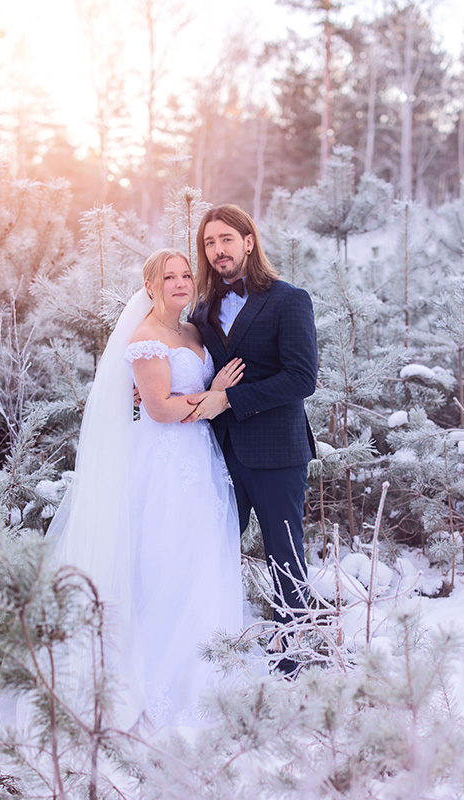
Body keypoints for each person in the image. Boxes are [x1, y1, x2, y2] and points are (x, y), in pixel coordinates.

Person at [0, 249, 244, 739]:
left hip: (199, 461)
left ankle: (205, 663)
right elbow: (161, 411)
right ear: (149, 287)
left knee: (200, 561)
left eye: (186, 274)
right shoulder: (146, 339)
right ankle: (155, 675)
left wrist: (208, 398)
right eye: (168, 277)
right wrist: (218, 397)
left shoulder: (192, 330)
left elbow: (178, 398)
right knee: (166, 563)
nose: (179, 282)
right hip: (165, 465)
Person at [187, 204, 318, 642]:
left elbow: (302, 378)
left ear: (248, 241)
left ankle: (294, 655)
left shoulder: (289, 300)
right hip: (219, 452)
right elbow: (194, 364)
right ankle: (211, 650)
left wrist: (229, 398)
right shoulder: (201, 311)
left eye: (226, 239)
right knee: (212, 549)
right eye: (209, 242)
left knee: (284, 555)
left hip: (277, 451)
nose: (218, 250)